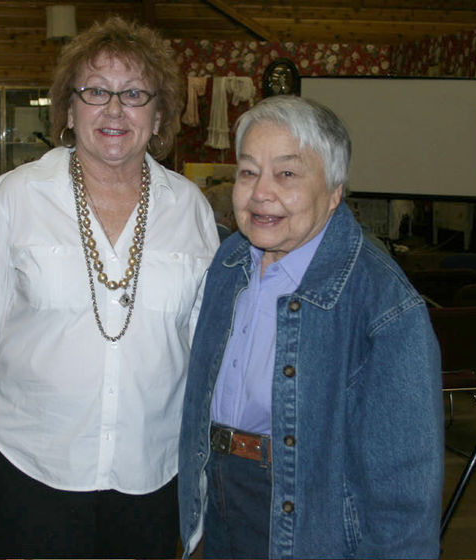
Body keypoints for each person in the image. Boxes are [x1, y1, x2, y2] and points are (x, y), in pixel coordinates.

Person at [0, 16, 219, 559]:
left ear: (159, 112)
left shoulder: (189, 208)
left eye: (134, 93)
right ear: (68, 109)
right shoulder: (16, 198)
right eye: (96, 91)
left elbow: (203, 336)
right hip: (34, 463)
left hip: (152, 467)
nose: (114, 109)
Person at [178, 95, 444, 559]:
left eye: (287, 174)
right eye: (247, 171)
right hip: (219, 498)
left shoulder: (382, 303)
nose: (261, 192)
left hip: (310, 519)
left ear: (335, 190)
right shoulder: (230, 262)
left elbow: (404, 492)